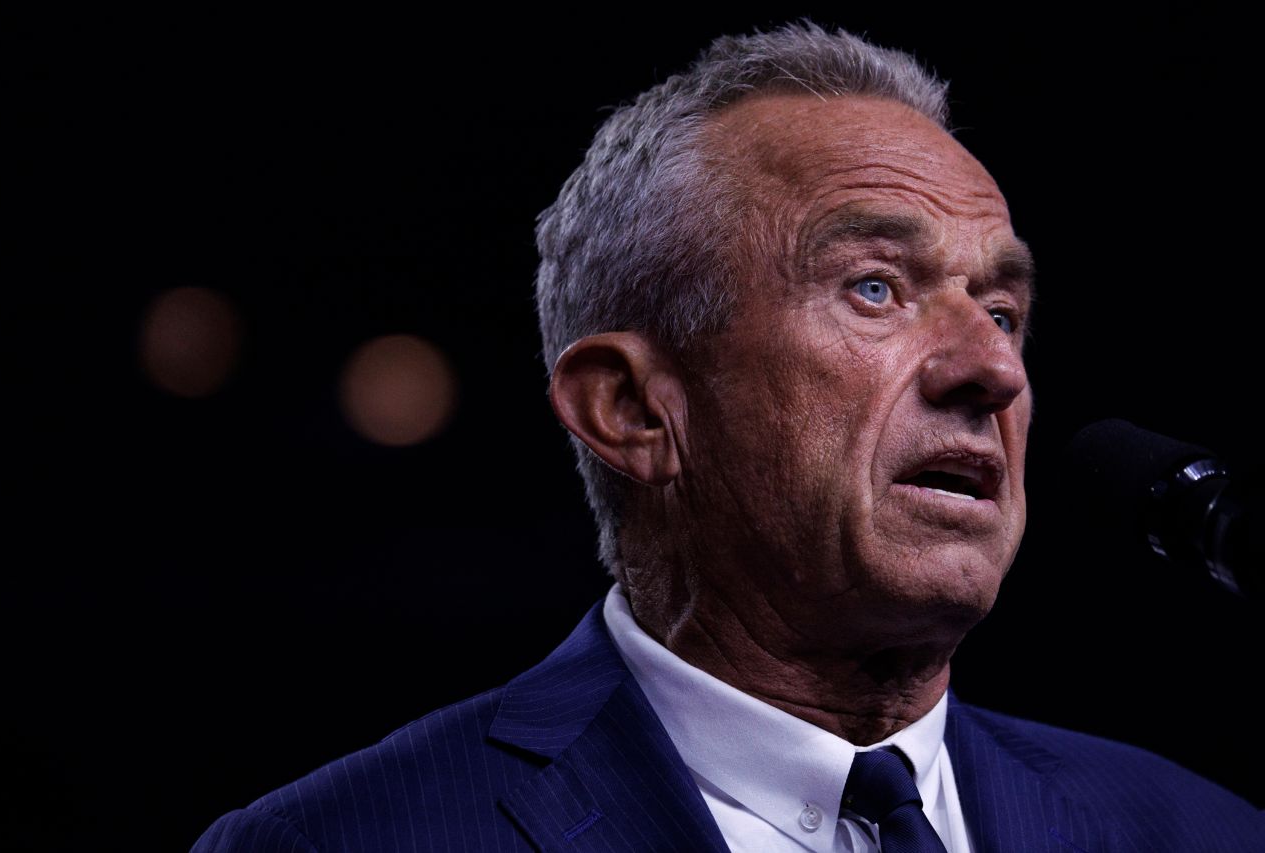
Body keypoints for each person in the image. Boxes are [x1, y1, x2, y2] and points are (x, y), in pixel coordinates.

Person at [193, 22, 1264, 852]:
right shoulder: (347, 839)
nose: (992, 370)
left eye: (999, 310)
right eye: (875, 288)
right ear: (630, 409)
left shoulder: (1201, 831)